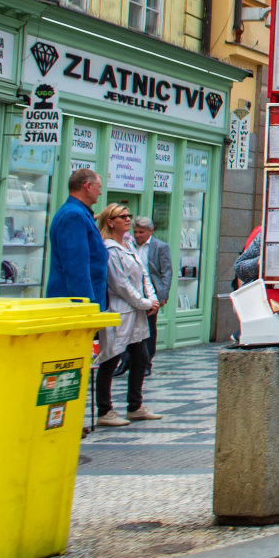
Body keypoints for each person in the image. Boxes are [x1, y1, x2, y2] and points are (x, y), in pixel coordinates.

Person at [94, 204, 161, 426]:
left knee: (141, 357)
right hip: (120, 310)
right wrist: (143, 302)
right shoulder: (110, 249)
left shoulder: (129, 245)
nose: (127, 219)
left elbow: (143, 274)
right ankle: (104, 410)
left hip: (136, 311)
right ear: (110, 221)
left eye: (128, 215)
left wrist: (151, 298)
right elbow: (119, 284)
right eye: (122, 216)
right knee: (110, 358)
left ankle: (135, 406)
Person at [47, 168, 108, 307]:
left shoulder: (79, 213)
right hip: (76, 305)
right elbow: (76, 266)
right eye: (98, 187)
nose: (100, 192)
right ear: (87, 186)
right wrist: (84, 304)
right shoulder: (73, 215)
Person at [132, 217, 171, 372]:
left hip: (151, 294)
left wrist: (162, 295)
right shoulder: (129, 246)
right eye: (135, 232)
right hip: (133, 292)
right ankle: (127, 361)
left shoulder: (160, 247)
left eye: (141, 232)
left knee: (149, 328)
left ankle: (147, 361)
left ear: (150, 231)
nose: (137, 235)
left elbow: (166, 272)